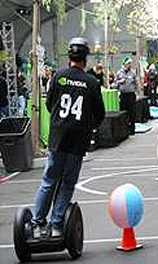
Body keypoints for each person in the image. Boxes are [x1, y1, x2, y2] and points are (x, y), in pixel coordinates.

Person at [31, 37, 105, 238]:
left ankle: (37, 223)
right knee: (67, 183)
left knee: (49, 181)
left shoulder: (58, 76)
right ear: (85, 57)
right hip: (78, 141)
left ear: (69, 55)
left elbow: (50, 104)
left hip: (58, 137)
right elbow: (99, 114)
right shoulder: (91, 82)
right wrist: (89, 128)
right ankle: (56, 226)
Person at [113, 56, 138, 135]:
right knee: (123, 113)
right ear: (124, 64)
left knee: (132, 113)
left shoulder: (133, 73)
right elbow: (114, 85)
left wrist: (137, 93)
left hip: (131, 95)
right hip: (123, 95)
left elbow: (136, 84)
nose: (130, 65)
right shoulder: (119, 73)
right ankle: (124, 130)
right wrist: (120, 81)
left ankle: (132, 130)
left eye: (130, 63)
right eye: (128, 63)